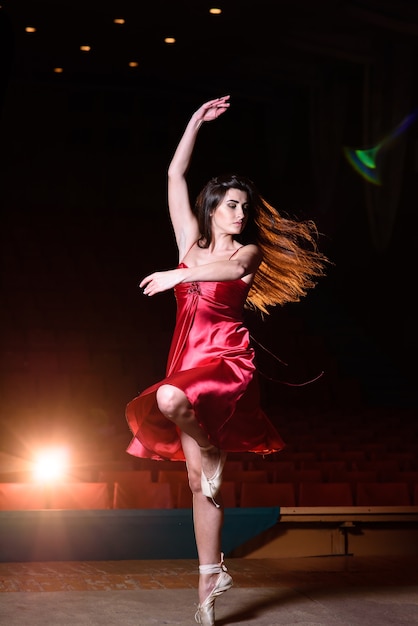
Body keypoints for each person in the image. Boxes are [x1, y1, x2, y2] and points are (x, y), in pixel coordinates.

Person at [125, 95, 328, 625]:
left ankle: (212, 450)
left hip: (224, 361)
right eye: (232, 204)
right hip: (185, 360)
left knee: (169, 400)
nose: (241, 213)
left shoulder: (245, 254)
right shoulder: (189, 241)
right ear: (211, 206)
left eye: (244, 205)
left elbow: (228, 277)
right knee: (197, 483)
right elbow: (175, 172)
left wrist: (178, 275)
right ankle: (210, 580)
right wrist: (193, 121)